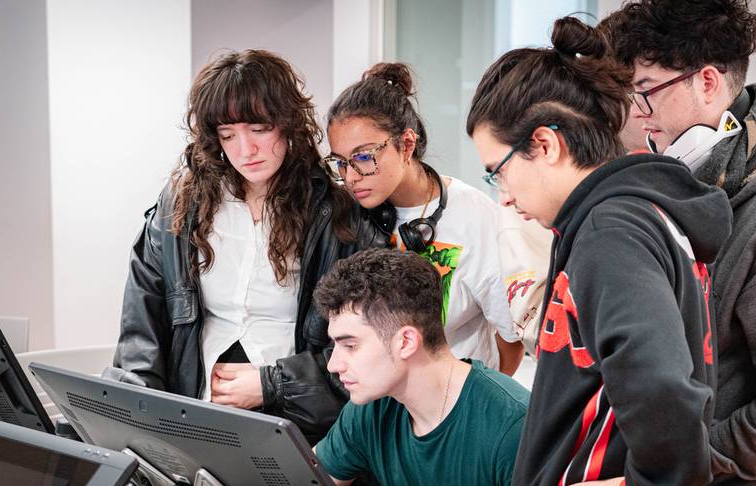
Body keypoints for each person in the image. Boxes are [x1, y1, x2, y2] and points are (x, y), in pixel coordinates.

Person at [467, 16, 732, 486]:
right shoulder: (631, 216)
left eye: (498, 171)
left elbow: (666, 396)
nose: (502, 196)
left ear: (545, 144)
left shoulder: (611, 233)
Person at [600, 1, 756, 483]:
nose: (637, 114)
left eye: (645, 93)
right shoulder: (704, 188)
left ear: (708, 82)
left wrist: (681, 463)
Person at [107, 49, 384, 444]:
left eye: (258, 129)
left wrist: (272, 385)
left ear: (288, 124)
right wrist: (142, 423)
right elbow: (141, 336)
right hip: (192, 412)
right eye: (227, 135)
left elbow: (366, 351)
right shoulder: (181, 206)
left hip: (297, 423)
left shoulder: (334, 215)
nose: (245, 150)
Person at [322, 63, 526, 374]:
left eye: (364, 157)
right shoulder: (344, 213)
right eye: (341, 162)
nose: (351, 176)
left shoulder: (475, 216)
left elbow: (511, 339)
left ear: (406, 145)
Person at [312, 248, 529, 486]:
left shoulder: (512, 429)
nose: (333, 365)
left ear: (406, 342)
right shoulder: (370, 408)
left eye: (350, 346)